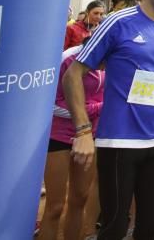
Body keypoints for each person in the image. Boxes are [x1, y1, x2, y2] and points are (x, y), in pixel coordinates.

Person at [63, 0, 154, 240]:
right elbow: (73, 75)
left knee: (149, 224)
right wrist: (83, 131)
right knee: (115, 226)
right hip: (118, 140)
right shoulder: (118, 22)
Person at [38, 42, 105, 240]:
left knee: (79, 200)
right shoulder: (69, 58)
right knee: (55, 207)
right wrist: (96, 108)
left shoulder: (112, 61)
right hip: (58, 136)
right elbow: (48, 102)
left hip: (90, 135)